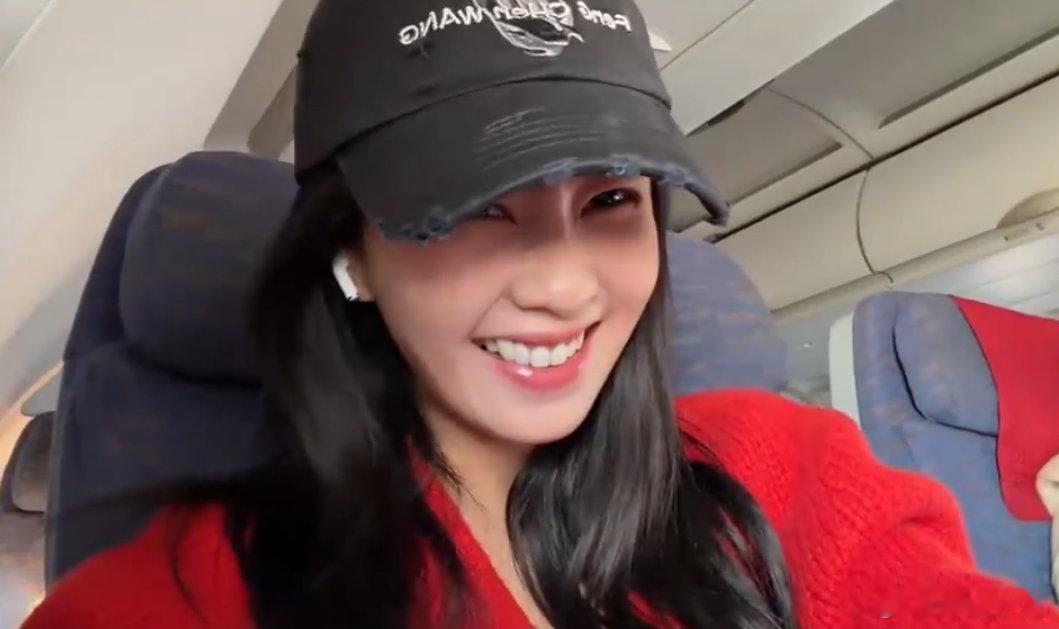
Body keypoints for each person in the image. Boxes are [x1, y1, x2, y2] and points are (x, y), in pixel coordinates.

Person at [22, 0, 1059, 627]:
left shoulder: (788, 472)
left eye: (610, 202)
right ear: (352, 253)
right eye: (479, 207)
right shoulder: (200, 588)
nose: (566, 286)